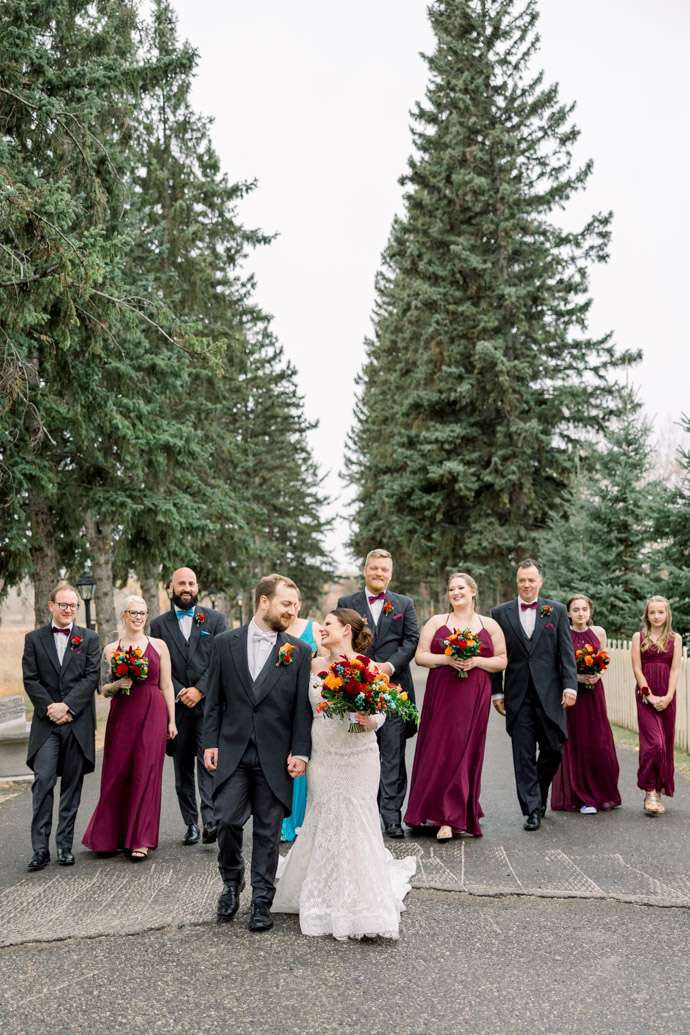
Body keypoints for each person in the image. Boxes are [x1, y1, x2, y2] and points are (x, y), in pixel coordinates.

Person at [273, 608, 416, 940]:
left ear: (347, 630)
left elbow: (380, 712)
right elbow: (300, 713)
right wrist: (301, 752)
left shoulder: (368, 668)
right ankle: (323, 889)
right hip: (324, 755)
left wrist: (369, 719)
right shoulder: (312, 665)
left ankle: (359, 896)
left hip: (360, 755)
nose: (321, 629)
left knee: (357, 816)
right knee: (324, 815)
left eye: (327, 625)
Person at [203, 574, 312, 932]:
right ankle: (232, 883)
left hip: (275, 755)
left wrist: (302, 752)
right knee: (227, 820)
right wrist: (211, 742)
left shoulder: (298, 650)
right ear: (263, 601)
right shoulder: (224, 643)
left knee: (268, 831)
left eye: (295, 605)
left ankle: (262, 900)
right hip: (233, 751)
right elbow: (214, 700)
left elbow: (300, 709)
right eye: (286, 603)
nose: (292, 610)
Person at [404, 573, 507, 840]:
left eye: (460, 588)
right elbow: (421, 656)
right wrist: (447, 658)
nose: (455, 592)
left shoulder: (490, 624)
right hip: (442, 691)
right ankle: (433, 811)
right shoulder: (437, 622)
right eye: (451, 589)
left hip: (474, 694)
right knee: (439, 749)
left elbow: (502, 660)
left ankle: (453, 816)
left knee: (465, 749)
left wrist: (476, 662)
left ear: (473, 591)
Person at [82, 596, 177, 860]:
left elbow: (167, 686)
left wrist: (172, 720)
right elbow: (103, 689)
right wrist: (117, 684)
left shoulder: (158, 646)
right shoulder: (111, 649)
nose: (139, 617)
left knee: (146, 772)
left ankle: (141, 840)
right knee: (117, 772)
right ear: (123, 615)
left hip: (154, 711)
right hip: (123, 713)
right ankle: (109, 837)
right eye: (133, 612)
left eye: (143, 612)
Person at [491, 559, 578, 831]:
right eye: (521, 580)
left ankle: (538, 793)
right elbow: (496, 654)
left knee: (554, 748)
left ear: (540, 581)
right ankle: (532, 810)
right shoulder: (500, 613)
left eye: (531, 580)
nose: (526, 585)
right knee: (523, 754)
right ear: (516, 582)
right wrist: (497, 691)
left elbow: (566, 653)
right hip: (517, 696)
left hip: (551, 695)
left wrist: (570, 686)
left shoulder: (557, 611)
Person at [338, 549, 419, 839]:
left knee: (392, 754)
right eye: (374, 568)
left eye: (384, 570)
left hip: (394, 690)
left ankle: (391, 817)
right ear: (365, 570)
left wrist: (388, 665)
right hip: (357, 689)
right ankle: (363, 814)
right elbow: (343, 638)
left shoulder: (404, 604)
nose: (379, 574)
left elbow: (412, 640)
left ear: (391, 573)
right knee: (359, 752)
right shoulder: (346, 603)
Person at [22, 582, 101, 870]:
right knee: (43, 782)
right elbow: (31, 679)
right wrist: (50, 709)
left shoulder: (89, 639)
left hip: (77, 723)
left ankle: (64, 846)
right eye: (63, 604)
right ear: (51, 606)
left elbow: (91, 676)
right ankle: (40, 849)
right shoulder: (34, 639)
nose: (68, 609)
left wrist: (67, 706)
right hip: (46, 725)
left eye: (73, 605)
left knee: (71, 787)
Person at [150, 567, 226, 847]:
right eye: (181, 583)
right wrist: (182, 691)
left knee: (209, 764)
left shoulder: (215, 619)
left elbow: (220, 659)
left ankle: (210, 821)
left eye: (191, 583)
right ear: (171, 587)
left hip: (208, 707)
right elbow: (157, 663)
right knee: (181, 769)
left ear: (197, 587)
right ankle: (190, 825)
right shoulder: (158, 624)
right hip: (176, 708)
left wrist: (200, 689)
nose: (187, 588)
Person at [551, 595, 621, 815]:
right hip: (573, 695)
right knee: (576, 743)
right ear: (569, 613)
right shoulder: (562, 633)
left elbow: (603, 660)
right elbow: (557, 666)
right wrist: (577, 679)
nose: (580, 613)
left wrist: (597, 675)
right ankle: (581, 797)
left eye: (584, 609)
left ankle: (602, 793)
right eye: (576, 609)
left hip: (594, 694)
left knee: (598, 742)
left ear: (590, 611)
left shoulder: (599, 632)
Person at [631, 595, 682, 815]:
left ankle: (658, 794)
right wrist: (648, 695)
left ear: (667, 614)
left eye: (661, 612)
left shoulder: (675, 638)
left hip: (667, 695)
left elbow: (675, 669)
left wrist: (669, 695)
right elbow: (637, 669)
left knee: (666, 744)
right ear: (646, 615)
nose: (656, 616)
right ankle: (649, 791)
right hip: (646, 695)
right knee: (654, 744)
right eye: (652, 612)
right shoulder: (638, 637)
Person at [281, 598, 324, 843]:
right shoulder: (272, 629)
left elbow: (328, 661)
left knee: (304, 757)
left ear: (299, 604)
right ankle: (284, 821)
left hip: (307, 702)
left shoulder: (314, 628)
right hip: (280, 704)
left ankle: (304, 821)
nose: (291, 608)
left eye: (295, 602)